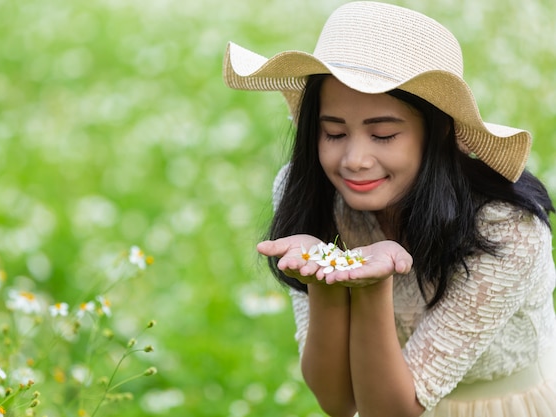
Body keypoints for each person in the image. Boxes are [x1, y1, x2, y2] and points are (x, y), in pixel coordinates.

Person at [222, 1, 556, 416]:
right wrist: (325, 277)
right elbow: (337, 401)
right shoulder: (315, 195)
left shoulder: (504, 228)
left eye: (382, 135)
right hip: (382, 384)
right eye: (334, 132)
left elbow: (392, 410)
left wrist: (370, 285)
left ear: (438, 134)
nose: (355, 159)